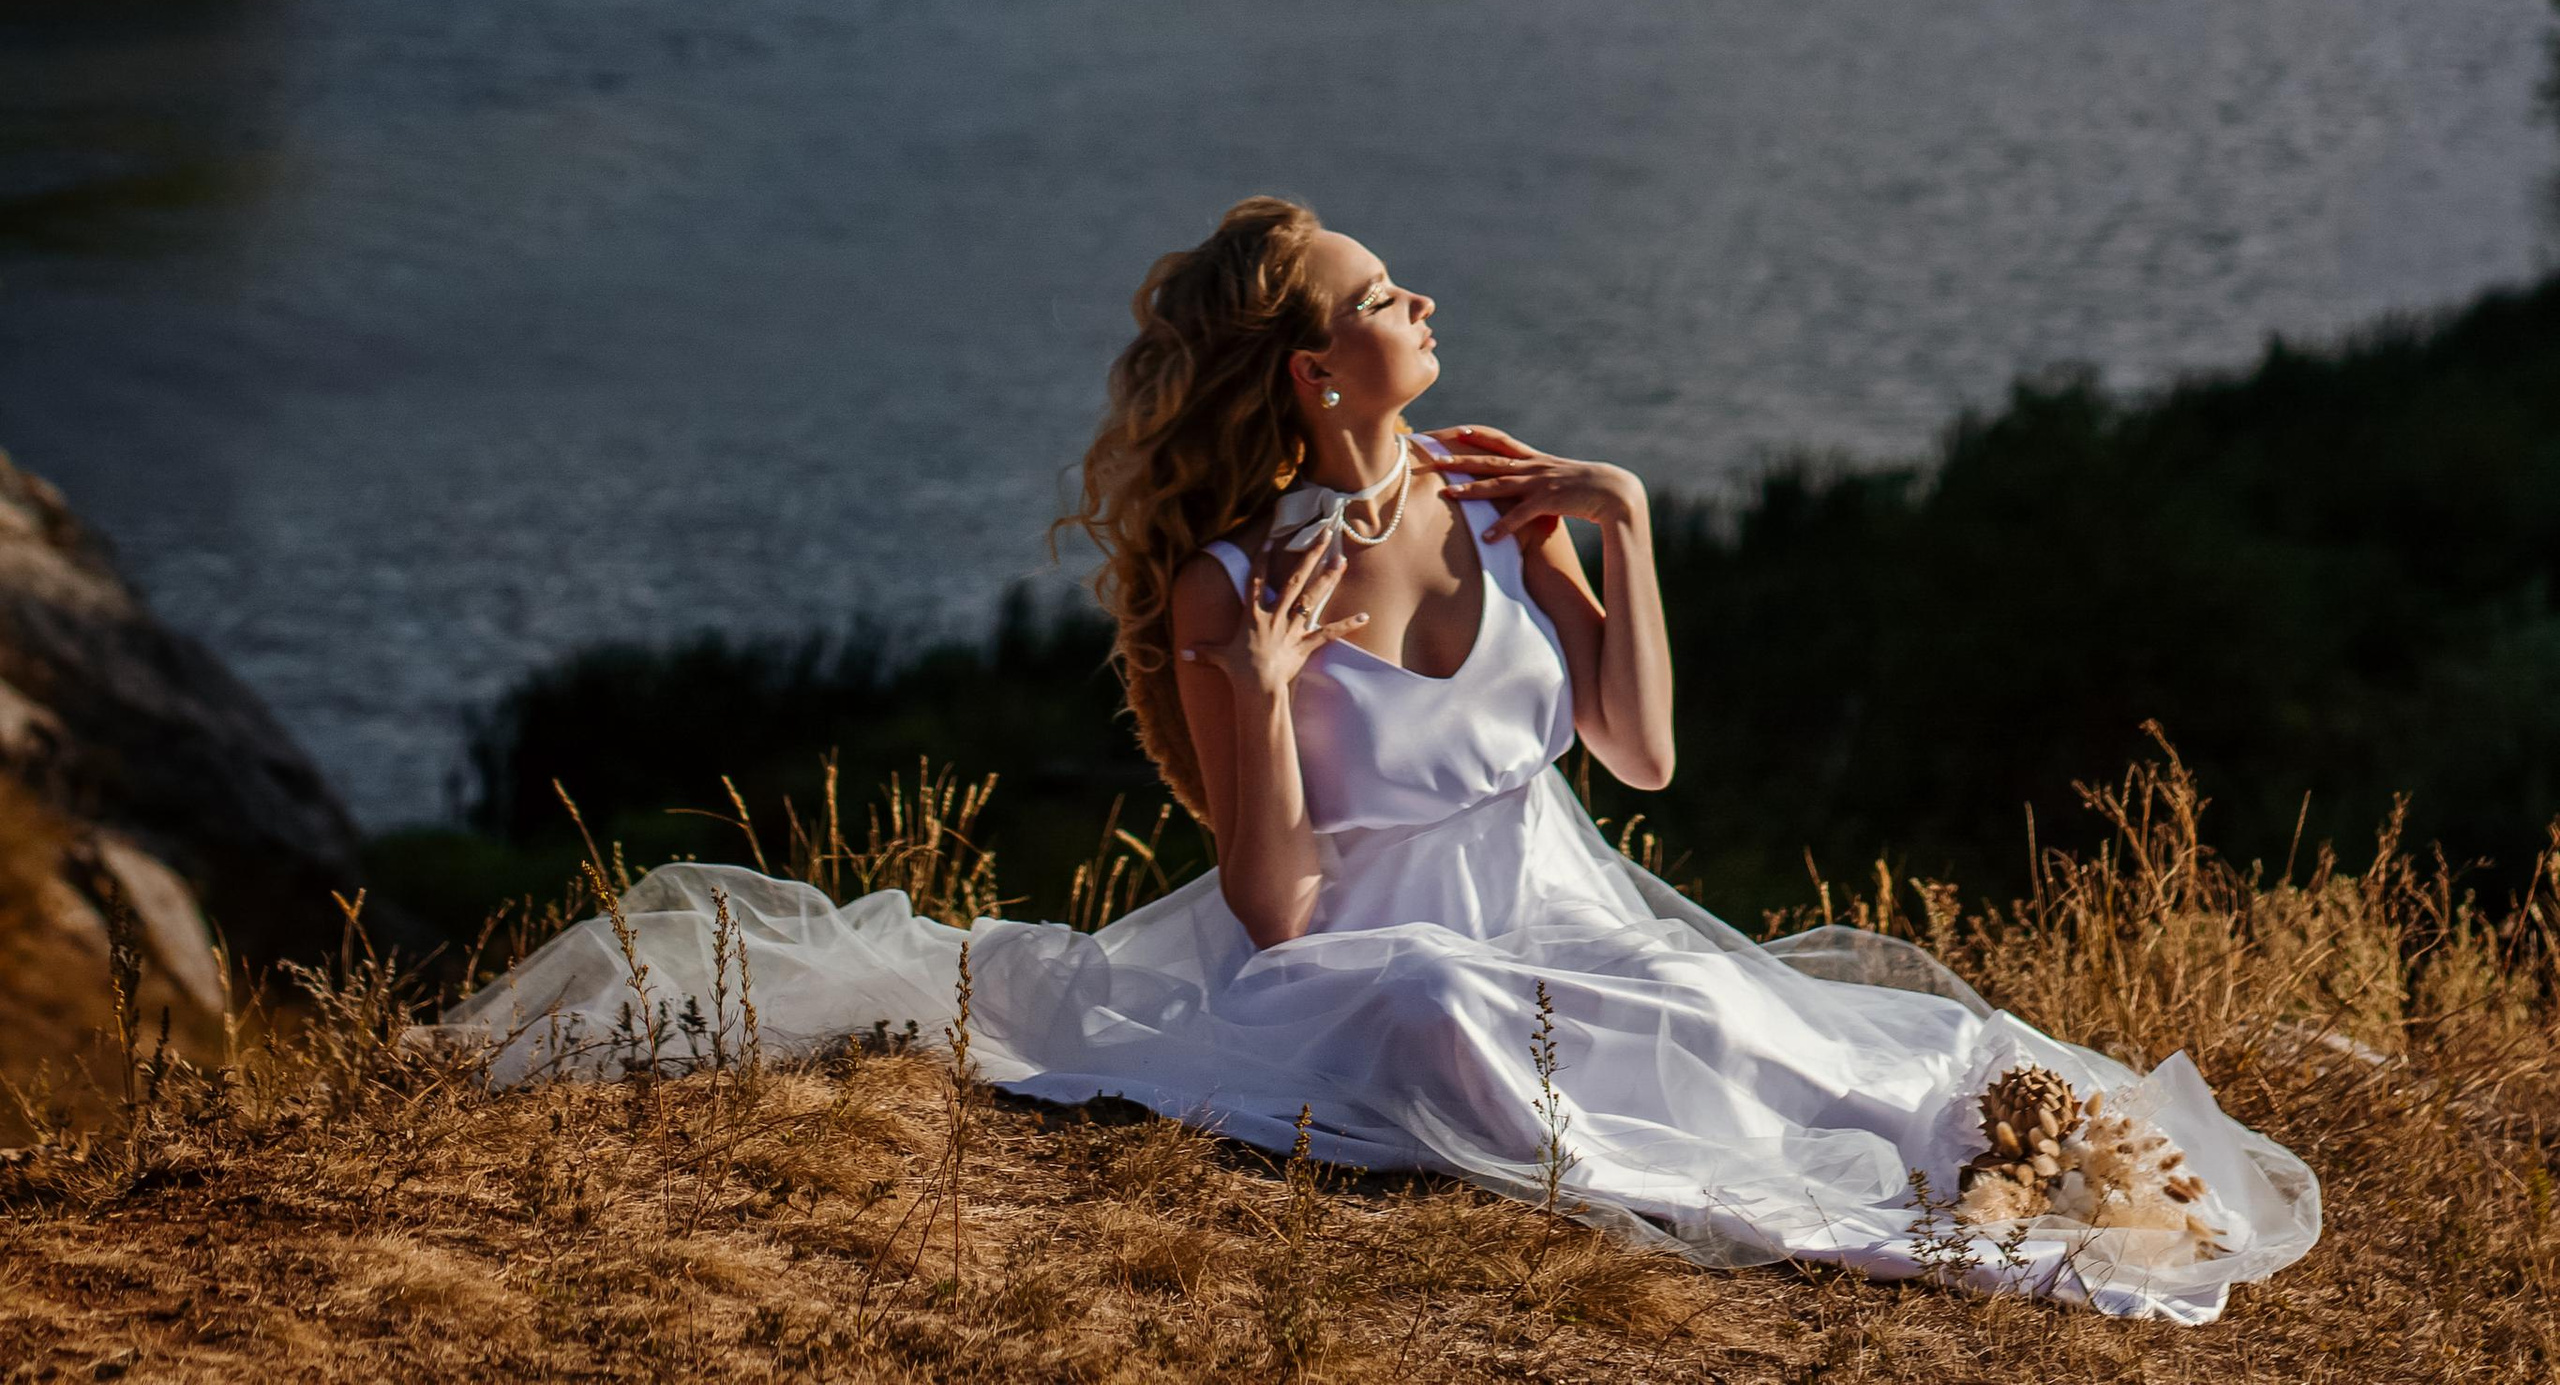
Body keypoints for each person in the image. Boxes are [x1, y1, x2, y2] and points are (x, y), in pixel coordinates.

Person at [447, 196, 2318, 1321]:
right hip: (1362, 956)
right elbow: (1276, 912)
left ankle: (1934, 1159)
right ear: (1315, 373)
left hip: (1575, 902)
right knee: (1427, 1004)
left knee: (1791, 1031)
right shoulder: (1228, 584)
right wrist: (1252, 690)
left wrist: (1627, 529)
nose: (1421, 306)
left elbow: (1641, 759)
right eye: (1381, 297)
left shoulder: (1501, 510)